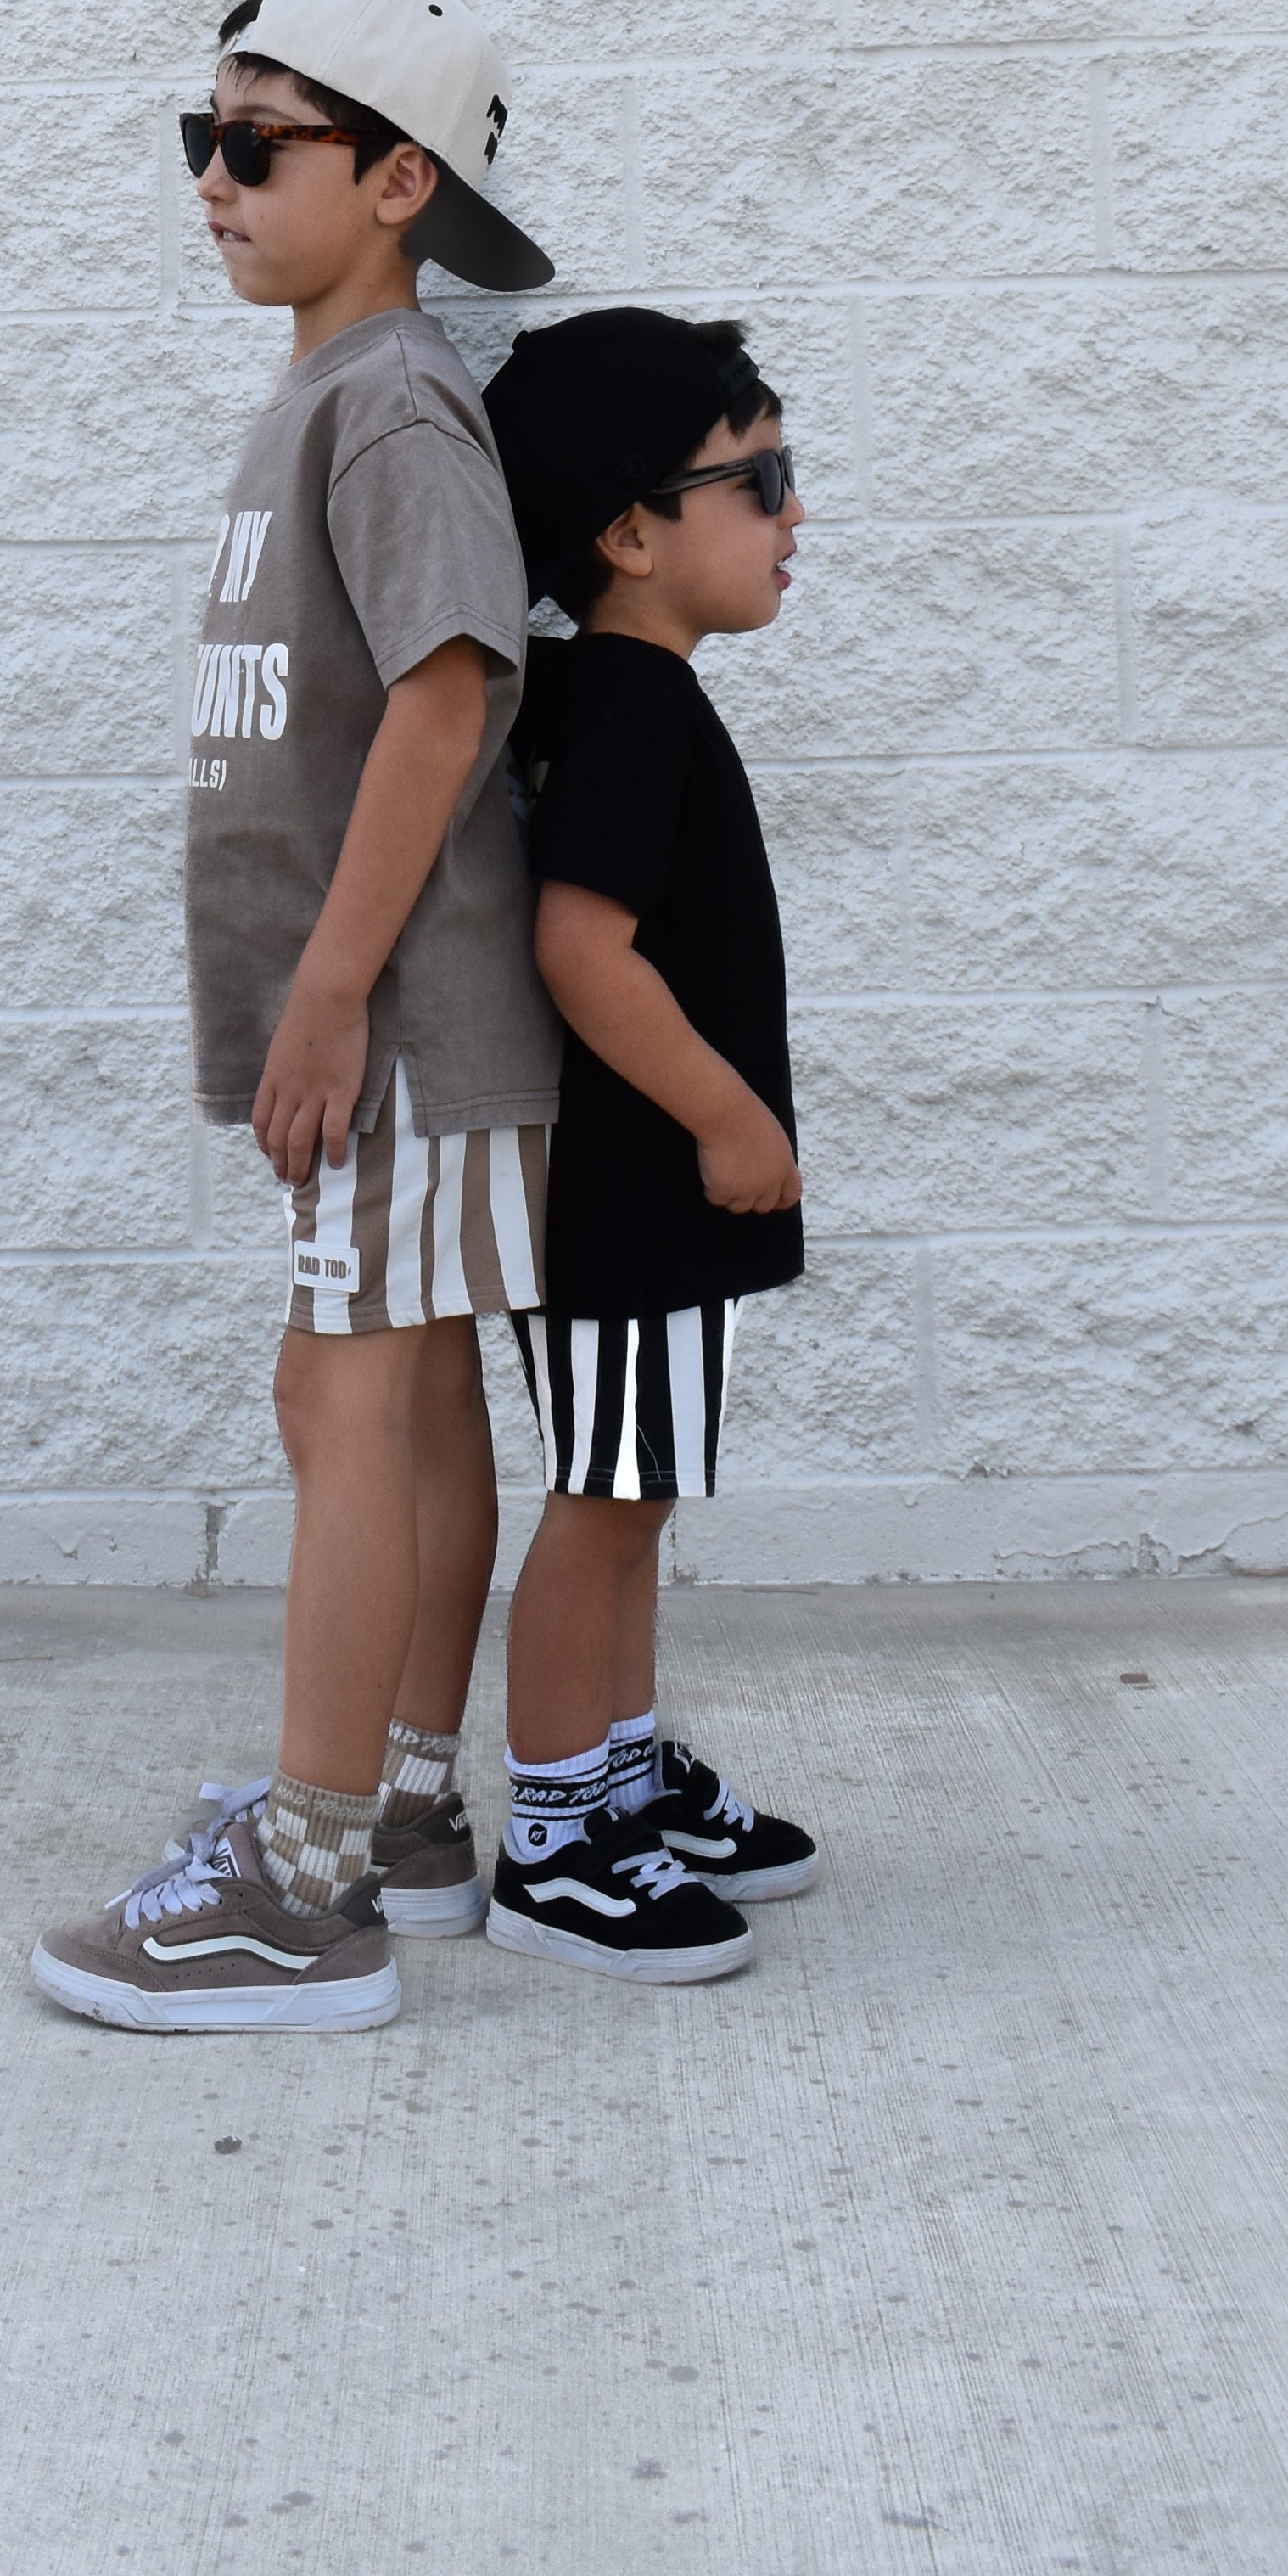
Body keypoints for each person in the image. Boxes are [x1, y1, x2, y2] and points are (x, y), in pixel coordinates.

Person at [31, 0, 559, 2035]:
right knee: (400, 1396)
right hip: (395, 1034)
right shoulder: (328, 397)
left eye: (262, 145)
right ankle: (408, 1809)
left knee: (345, 1399)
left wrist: (328, 998)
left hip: (403, 1030)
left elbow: (448, 693)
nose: (216, 181)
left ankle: (306, 1879)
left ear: (399, 178)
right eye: (204, 141)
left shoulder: (395, 399)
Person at [468, 307, 823, 1983]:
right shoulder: (624, 710)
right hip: (630, 1198)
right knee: (603, 1502)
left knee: (639, 1491)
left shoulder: (638, 695)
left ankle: (619, 1772)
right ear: (629, 531)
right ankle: (557, 1832)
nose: (792, 512)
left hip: (647, 1209)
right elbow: (580, 951)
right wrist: (730, 1112)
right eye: (759, 478)